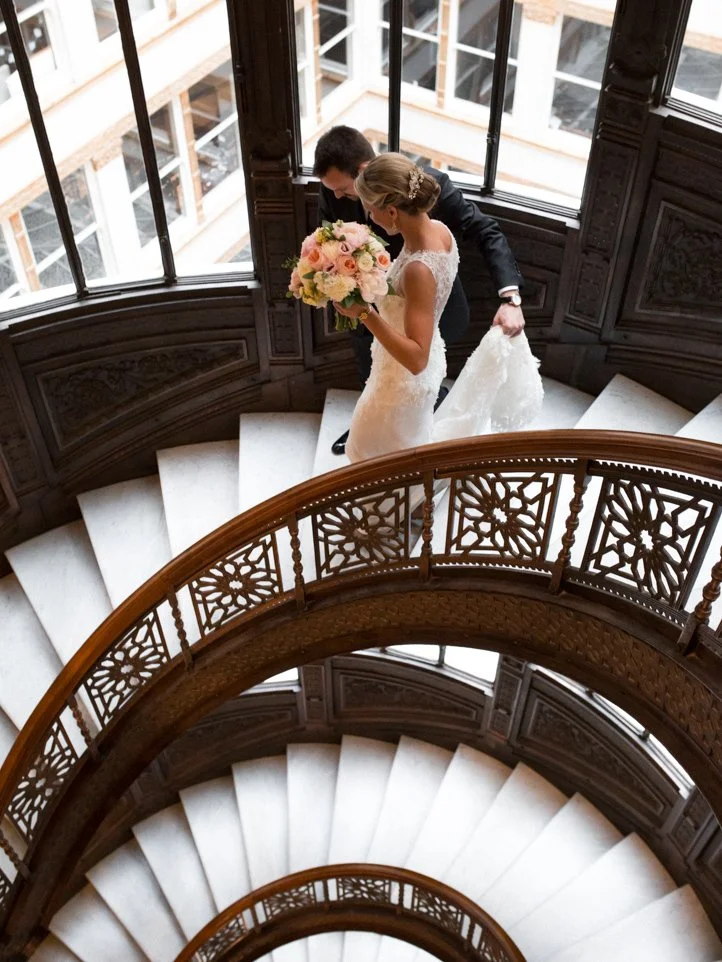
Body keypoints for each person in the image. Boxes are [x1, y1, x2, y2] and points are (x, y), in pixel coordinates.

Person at [314, 125, 525, 455]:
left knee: (413, 394)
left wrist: (510, 297)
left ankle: (407, 424)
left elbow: (486, 231)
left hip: (427, 318)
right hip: (376, 312)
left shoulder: (427, 195)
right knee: (376, 383)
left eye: (344, 190)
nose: (338, 197)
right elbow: (331, 237)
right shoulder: (335, 193)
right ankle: (377, 422)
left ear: (364, 174)